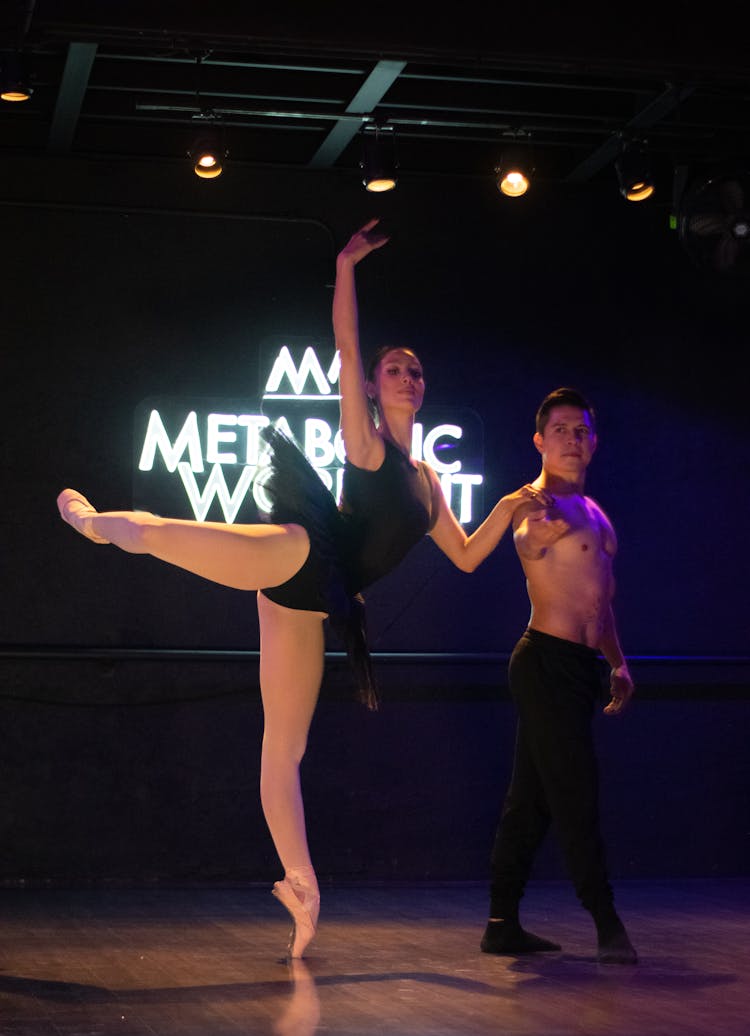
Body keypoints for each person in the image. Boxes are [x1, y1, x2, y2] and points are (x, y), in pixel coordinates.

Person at [56, 219, 546, 960]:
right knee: (168, 534)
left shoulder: (431, 482)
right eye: (395, 372)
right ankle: (95, 523)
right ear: (376, 391)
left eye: (415, 371)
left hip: (317, 603)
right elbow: (347, 348)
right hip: (299, 551)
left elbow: (471, 557)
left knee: (285, 746)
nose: (407, 378)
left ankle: (301, 886)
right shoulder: (366, 441)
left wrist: (509, 505)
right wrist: (347, 265)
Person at [481, 387, 637, 966]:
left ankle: (501, 923)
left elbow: (601, 601)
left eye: (582, 430)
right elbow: (528, 540)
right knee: (575, 791)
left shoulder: (596, 515)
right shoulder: (535, 506)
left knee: (533, 800)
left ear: (593, 442)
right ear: (540, 441)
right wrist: (532, 540)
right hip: (544, 662)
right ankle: (607, 921)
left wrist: (617, 661)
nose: (573, 438)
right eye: (562, 429)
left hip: (580, 667)